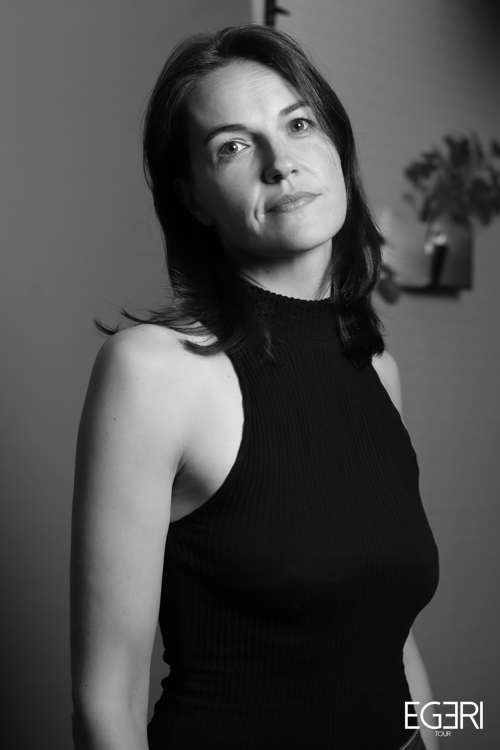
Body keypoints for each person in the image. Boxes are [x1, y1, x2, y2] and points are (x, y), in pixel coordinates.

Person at [70, 23, 440, 750]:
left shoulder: (378, 371)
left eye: (299, 124)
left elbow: (391, 641)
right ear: (195, 199)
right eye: (233, 147)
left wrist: (442, 733)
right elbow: (104, 704)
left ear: (337, 147)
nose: (281, 163)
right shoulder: (153, 371)